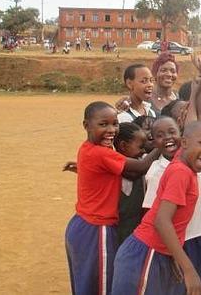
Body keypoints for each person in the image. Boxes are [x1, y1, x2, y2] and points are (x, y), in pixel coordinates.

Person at [111, 121, 201, 295]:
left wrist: (174, 255)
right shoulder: (181, 172)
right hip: (146, 253)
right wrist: (189, 269)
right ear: (183, 143)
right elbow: (162, 221)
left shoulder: (186, 168)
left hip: (157, 252)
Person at [64, 101, 160, 295]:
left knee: (86, 284)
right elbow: (140, 168)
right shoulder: (102, 153)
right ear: (86, 125)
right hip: (97, 229)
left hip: (82, 225)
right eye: (103, 124)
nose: (111, 130)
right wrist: (161, 146)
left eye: (115, 124)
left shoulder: (89, 148)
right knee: (103, 286)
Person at [113, 122, 148, 244]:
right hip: (121, 230)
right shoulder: (115, 165)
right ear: (123, 146)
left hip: (136, 228)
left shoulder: (140, 159)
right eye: (140, 146)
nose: (144, 150)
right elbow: (135, 173)